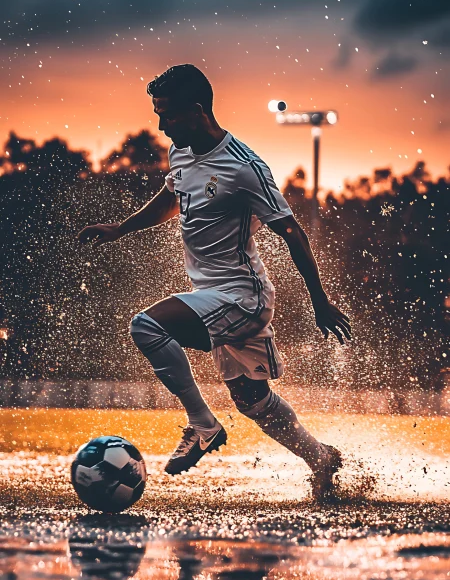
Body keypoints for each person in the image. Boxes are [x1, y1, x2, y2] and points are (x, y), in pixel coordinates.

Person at [78, 64, 351, 499]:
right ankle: (321, 457)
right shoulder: (181, 151)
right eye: (158, 114)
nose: (162, 125)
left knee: (147, 325)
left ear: (198, 110)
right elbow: (173, 196)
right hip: (212, 297)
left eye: (168, 115)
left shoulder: (244, 167)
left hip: (244, 297)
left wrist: (319, 299)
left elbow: (291, 231)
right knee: (252, 400)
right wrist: (121, 228)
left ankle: (202, 424)